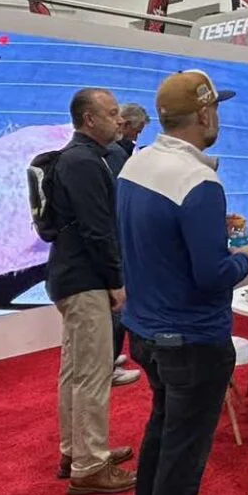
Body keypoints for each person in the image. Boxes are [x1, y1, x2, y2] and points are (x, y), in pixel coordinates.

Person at [116, 70, 248, 495]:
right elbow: (210, 275)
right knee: (183, 453)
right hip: (192, 339)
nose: (217, 117)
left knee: (161, 432)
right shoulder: (199, 183)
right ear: (203, 114)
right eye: (215, 108)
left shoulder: (135, 164)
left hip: (146, 333)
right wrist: (244, 259)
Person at [47, 88, 136, 495]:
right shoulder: (83, 162)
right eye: (112, 113)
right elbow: (98, 229)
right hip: (86, 280)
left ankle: (77, 450)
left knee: (77, 370)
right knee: (93, 374)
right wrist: (116, 280)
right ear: (89, 119)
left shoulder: (80, 158)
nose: (120, 120)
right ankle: (89, 465)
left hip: (74, 276)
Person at [105, 103, 151, 386]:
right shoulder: (117, 156)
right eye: (138, 129)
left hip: (116, 239)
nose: (138, 135)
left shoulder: (116, 153)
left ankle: (109, 358)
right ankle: (107, 364)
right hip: (117, 242)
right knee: (117, 304)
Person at [105, 102, 150, 176]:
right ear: (126, 125)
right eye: (136, 132)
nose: (136, 138)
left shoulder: (101, 139)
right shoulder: (116, 153)